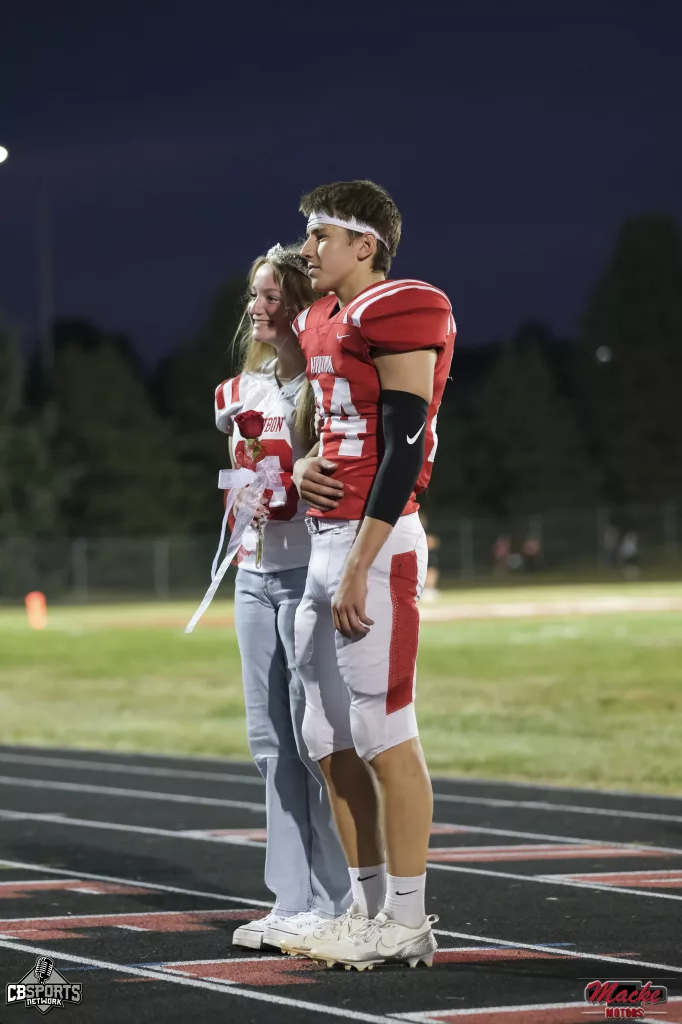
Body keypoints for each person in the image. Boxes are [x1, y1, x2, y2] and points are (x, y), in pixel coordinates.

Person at [288, 180, 456, 970]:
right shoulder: (320, 317)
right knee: (324, 735)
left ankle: (409, 918)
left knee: (384, 731)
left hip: (373, 543)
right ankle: (363, 910)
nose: (306, 249)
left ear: (366, 244)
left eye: (321, 235)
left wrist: (359, 562)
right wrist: (302, 461)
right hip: (323, 540)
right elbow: (326, 424)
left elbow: (405, 444)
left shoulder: (401, 306)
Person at [213, 243, 350, 952]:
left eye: (271, 295)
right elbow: (240, 479)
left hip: (306, 575)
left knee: (311, 738)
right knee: (268, 743)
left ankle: (339, 898)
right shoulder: (241, 390)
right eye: (254, 295)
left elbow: (336, 480)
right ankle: (289, 899)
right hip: (253, 575)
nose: (257, 307)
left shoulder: (324, 393)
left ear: (300, 305)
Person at [419, 509, 441, 600]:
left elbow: (434, 542)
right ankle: (424, 590)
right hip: (418, 554)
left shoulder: (428, 530)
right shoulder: (414, 531)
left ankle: (430, 589)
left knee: (432, 570)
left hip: (429, 554)